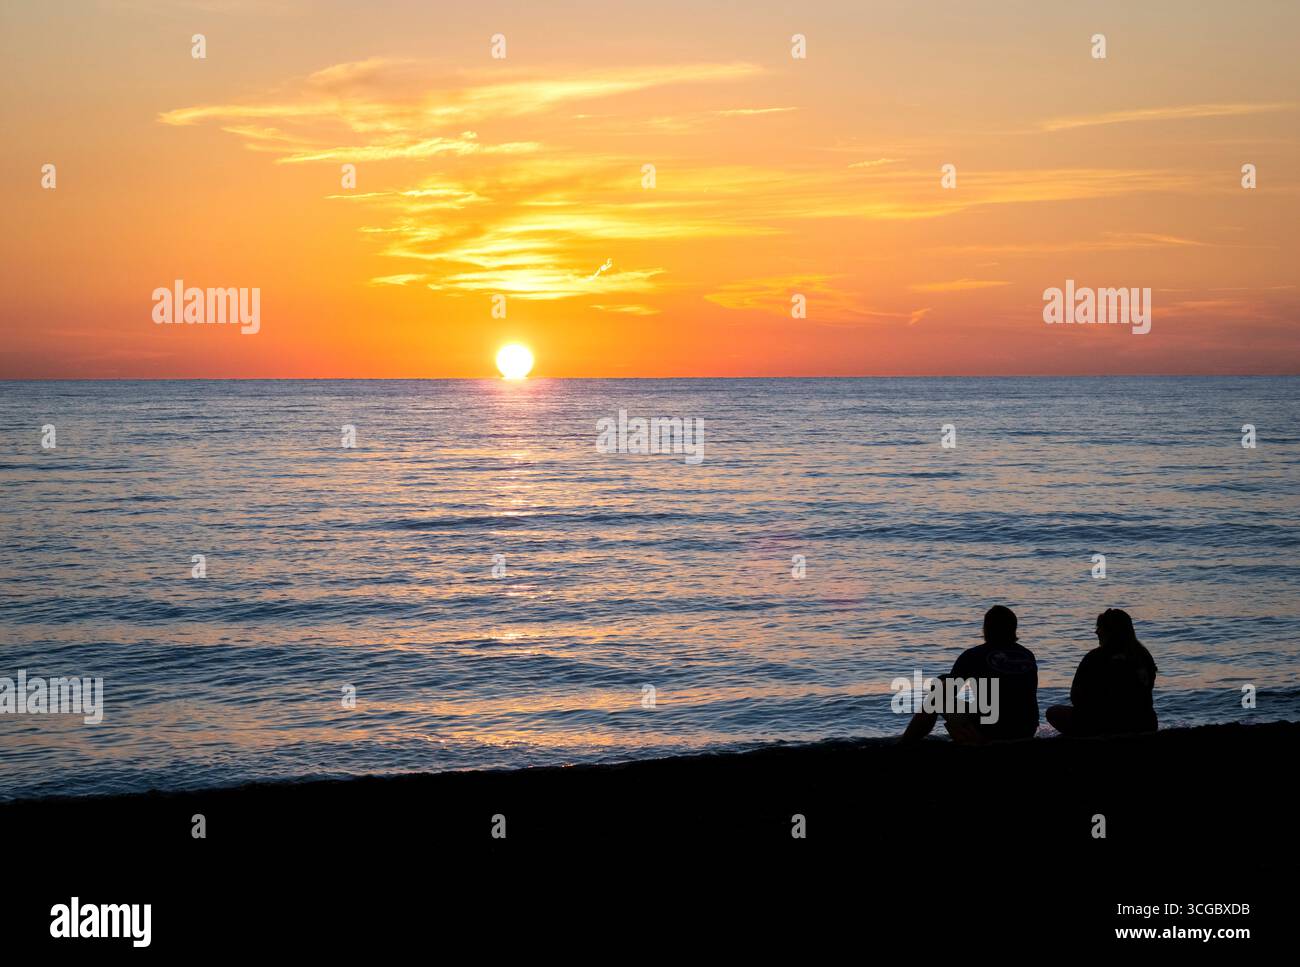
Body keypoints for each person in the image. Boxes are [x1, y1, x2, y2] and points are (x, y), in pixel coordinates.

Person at [901, 605, 1039, 744]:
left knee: (937, 695)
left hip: (992, 731)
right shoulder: (1027, 655)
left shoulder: (974, 655)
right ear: (1013, 630)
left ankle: (905, 744)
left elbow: (947, 692)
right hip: (1026, 730)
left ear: (986, 629)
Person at [1046, 609, 1157, 737]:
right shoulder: (1144, 655)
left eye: (1099, 627)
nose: (1096, 631)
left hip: (1103, 725)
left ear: (1109, 631)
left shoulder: (1095, 657)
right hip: (1145, 722)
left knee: (1053, 712)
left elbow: (1076, 697)